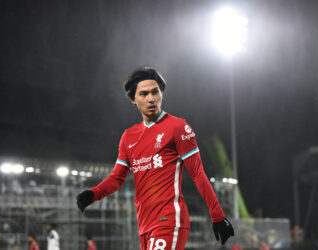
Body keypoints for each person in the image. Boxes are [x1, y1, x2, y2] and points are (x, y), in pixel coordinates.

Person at [76, 67, 234, 250]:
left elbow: (198, 173)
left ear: (161, 94)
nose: (151, 98)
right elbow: (117, 178)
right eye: (143, 94)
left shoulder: (178, 127)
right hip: (144, 224)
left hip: (169, 220)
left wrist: (217, 215)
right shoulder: (129, 136)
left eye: (155, 92)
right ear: (133, 99)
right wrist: (93, 194)